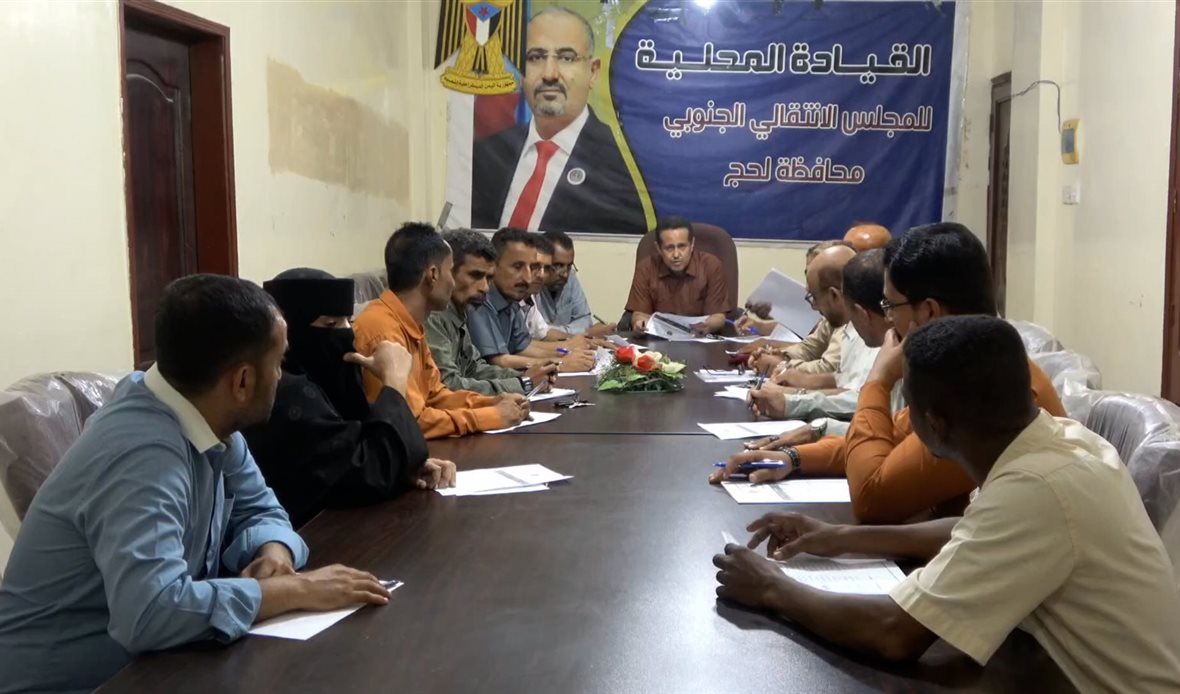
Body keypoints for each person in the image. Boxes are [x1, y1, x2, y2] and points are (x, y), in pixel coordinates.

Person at [714, 316, 1180, 692]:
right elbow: (972, 528)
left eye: (908, 409)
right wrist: (837, 537)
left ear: (934, 426)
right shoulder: (1059, 439)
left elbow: (894, 633)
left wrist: (771, 587)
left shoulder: (1037, 487)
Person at [0, 275, 392, 694]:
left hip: (157, 664)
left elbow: (262, 508)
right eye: (278, 363)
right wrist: (292, 590)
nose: (281, 376)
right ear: (242, 381)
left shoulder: (206, 418)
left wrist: (273, 551)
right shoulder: (142, 454)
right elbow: (150, 614)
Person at [713, 223, 1066, 524]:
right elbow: (894, 438)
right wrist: (795, 457)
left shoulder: (984, 395)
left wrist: (878, 381)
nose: (888, 319)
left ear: (928, 313)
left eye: (890, 306)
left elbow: (872, 498)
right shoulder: (962, 368)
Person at [242, 268, 456, 529]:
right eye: (330, 325)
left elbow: (356, 447)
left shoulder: (329, 377)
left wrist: (403, 468)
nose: (346, 334)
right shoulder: (286, 392)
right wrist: (394, 382)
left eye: (348, 322)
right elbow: (363, 475)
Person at [470, 7, 645, 234]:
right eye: (535, 57)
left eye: (566, 58)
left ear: (593, 72)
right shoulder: (486, 155)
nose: (549, 74)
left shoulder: (622, 165)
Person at [353, 223, 531, 439]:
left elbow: (436, 395)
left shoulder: (410, 322)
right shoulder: (383, 331)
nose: (453, 283)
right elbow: (411, 422)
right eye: (450, 271)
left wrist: (492, 402)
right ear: (433, 275)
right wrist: (491, 416)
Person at [748, 249, 888, 423]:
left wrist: (796, 399)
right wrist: (799, 386)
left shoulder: (880, 335)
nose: (814, 307)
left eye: (813, 297)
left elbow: (864, 402)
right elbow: (848, 383)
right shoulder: (854, 326)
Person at [425, 229, 557, 395]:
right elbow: (447, 386)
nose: (485, 288)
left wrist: (524, 376)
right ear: (447, 272)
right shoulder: (433, 315)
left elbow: (475, 369)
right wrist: (524, 384)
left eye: (488, 278)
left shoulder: (460, 310)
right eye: (475, 275)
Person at [466, 227, 597, 372]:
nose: (528, 278)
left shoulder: (511, 299)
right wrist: (560, 363)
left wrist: (567, 354)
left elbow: (523, 347)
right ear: (493, 267)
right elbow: (498, 361)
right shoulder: (480, 299)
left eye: (531, 268)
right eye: (518, 267)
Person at [738, 239, 855, 375]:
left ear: (834, 295)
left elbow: (830, 369)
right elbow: (810, 348)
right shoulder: (835, 312)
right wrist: (781, 355)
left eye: (814, 297)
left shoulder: (856, 316)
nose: (814, 307)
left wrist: (781, 366)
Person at [625, 217, 731, 336]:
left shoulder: (711, 265)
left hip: (700, 338)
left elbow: (718, 316)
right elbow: (639, 314)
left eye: (682, 246)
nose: (676, 254)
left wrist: (708, 326)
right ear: (658, 248)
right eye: (669, 248)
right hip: (659, 339)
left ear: (692, 244)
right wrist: (640, 324)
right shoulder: (646, 267)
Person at [536, 229, 615, 336]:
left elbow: (585, 320)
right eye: (558, 266)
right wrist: (585, 333)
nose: (565, 274)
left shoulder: (570, 277)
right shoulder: (531, 286)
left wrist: (567, 333)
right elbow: (536, 331)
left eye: (569, 266)